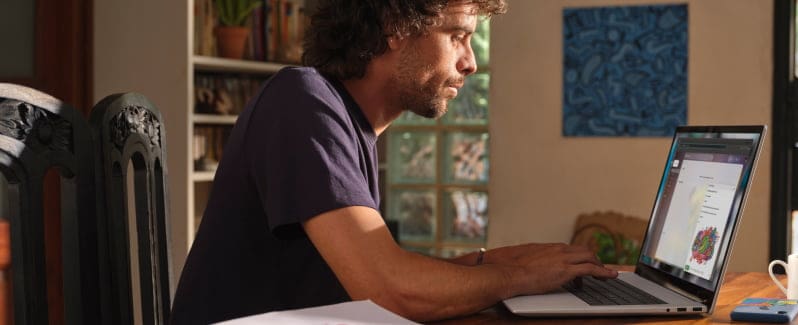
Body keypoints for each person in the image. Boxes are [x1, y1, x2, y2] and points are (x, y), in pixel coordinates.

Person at [170, 0, 618, 323]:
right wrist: (515, 276)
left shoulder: (344, 121)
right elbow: (391, 289)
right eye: (458, 35)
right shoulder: (301, 102)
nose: (471, 62)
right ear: (395, 25)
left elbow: (376, 272)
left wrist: (496, 261)